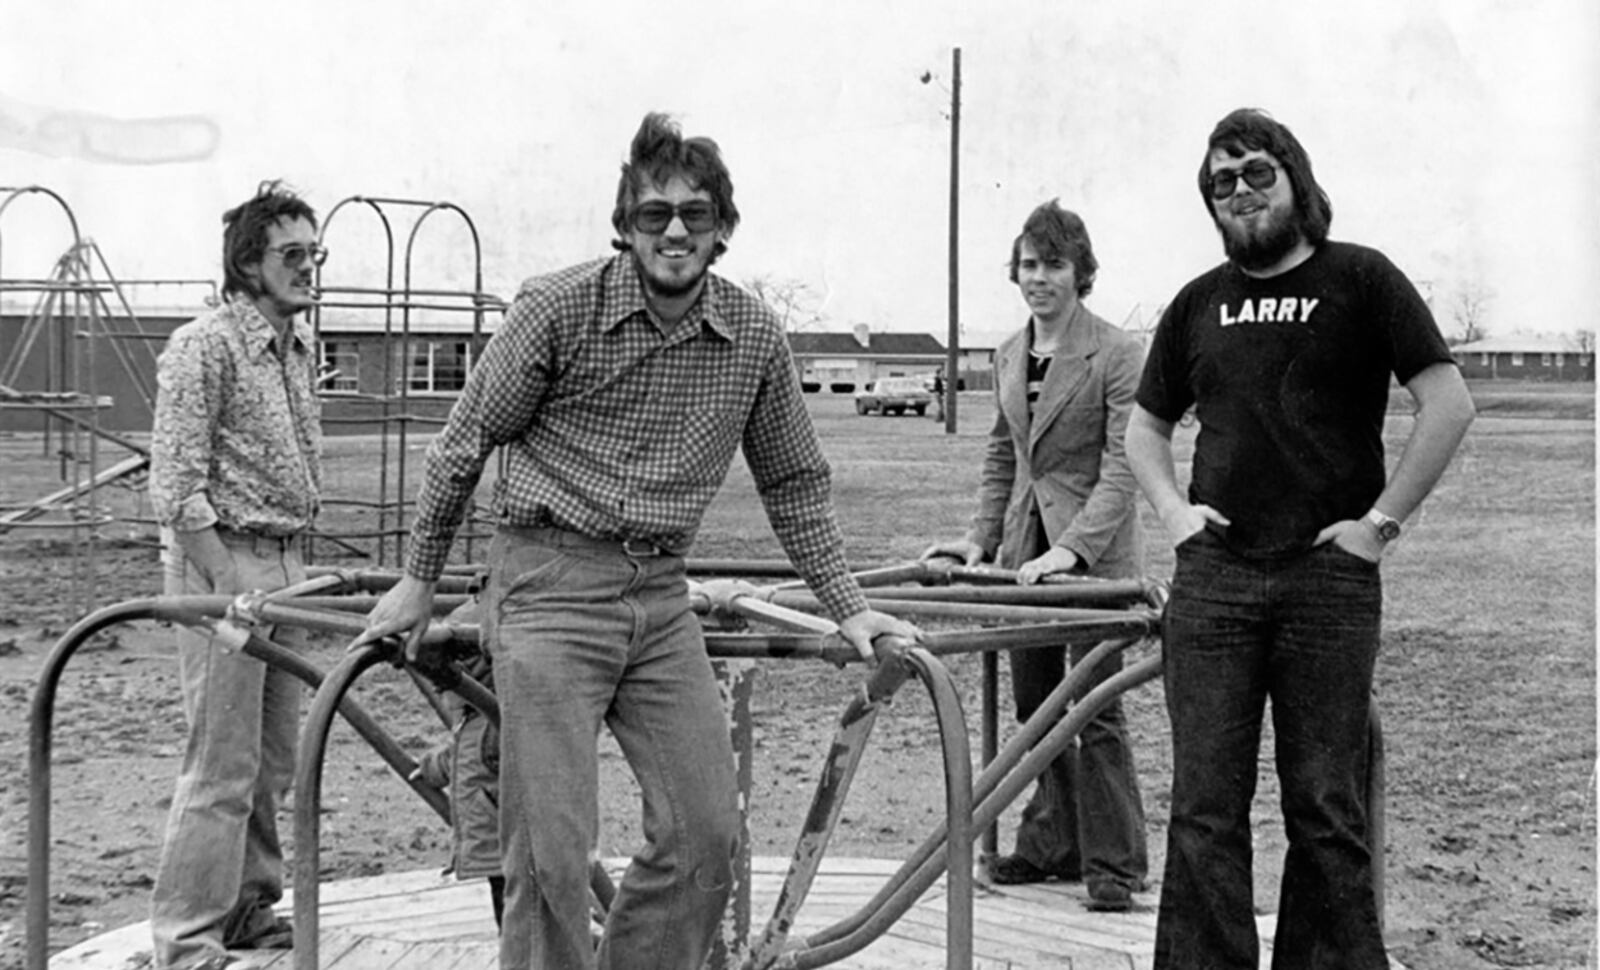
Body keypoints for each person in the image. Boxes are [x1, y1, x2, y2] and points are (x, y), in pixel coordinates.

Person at [356, 112, 918, 970]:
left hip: (656, 595)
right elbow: (463, 442)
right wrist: (419, 580)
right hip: (546, 582)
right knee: (550, 850)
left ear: (724, 227)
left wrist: (852, 609)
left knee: (707, 835)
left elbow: (796, 483)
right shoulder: (557, 308)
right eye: (655, 214)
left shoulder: (753, 336)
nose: (677, 231)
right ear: (625, 225)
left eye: (697, 213)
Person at [1126, 108, 1475, 968]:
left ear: (1294, 178)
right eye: (1220, 182)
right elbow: (1145, 428)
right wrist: (1175, 515)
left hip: (1329, 582)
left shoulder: (1361, 279)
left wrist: (1379, 525)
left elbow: (1448, 404)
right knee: (1204, 807)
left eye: (1255, 173)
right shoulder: (1196, 303)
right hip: (1215, 585)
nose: (1238, 192)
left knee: (1325, 805)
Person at [922, 200, 1149, 912]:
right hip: (1024, 552)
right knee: (1036, 706)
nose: (1039, 277)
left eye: (1054, 264)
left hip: (1094, 560)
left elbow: (1124, 463)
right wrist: (978, 537)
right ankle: (1052, 844)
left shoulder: (1115, 351)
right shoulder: (1009, 352)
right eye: (1028, 264)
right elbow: (1002, 454)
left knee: (1096, 708)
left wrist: (1074, 551)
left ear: (1081, 272)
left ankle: (1115, 865)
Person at [146, 180, 326, 970]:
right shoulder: (204, 345)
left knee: (273, 758)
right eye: (292, 255)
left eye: (315, 254)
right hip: (226, 559)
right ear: (248, 264)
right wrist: (227, 585)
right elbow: (176, 484)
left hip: (285, 558)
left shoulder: (299, 345)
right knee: (221, 760)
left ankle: (250, 906)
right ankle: (185, 941)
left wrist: (285, 573)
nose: (308, 269)